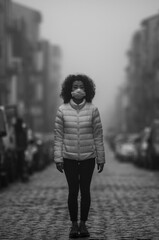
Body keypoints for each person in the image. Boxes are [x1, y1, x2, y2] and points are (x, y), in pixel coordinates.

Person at [54, 74, 105, 238]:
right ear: (69, 89)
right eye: (75, 86)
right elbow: (58, 137)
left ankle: (83, 224)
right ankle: (73, 225)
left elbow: (98, 136)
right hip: (68, 158)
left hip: (88, 158)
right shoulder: (62, 110)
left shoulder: (93, 109)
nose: (78, 89)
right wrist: (58, 158)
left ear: (87, 90)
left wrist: (101, 158)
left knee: (85, 191)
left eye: (82, 87)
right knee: (72, 191)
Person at [15, 117, 28, 181]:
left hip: (20, 149)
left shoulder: (18, 130)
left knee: (21, 163)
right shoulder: (21, 131)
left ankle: (22, 175)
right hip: (20, 149)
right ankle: (22, 175)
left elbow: (25, 140)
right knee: (22, 163)